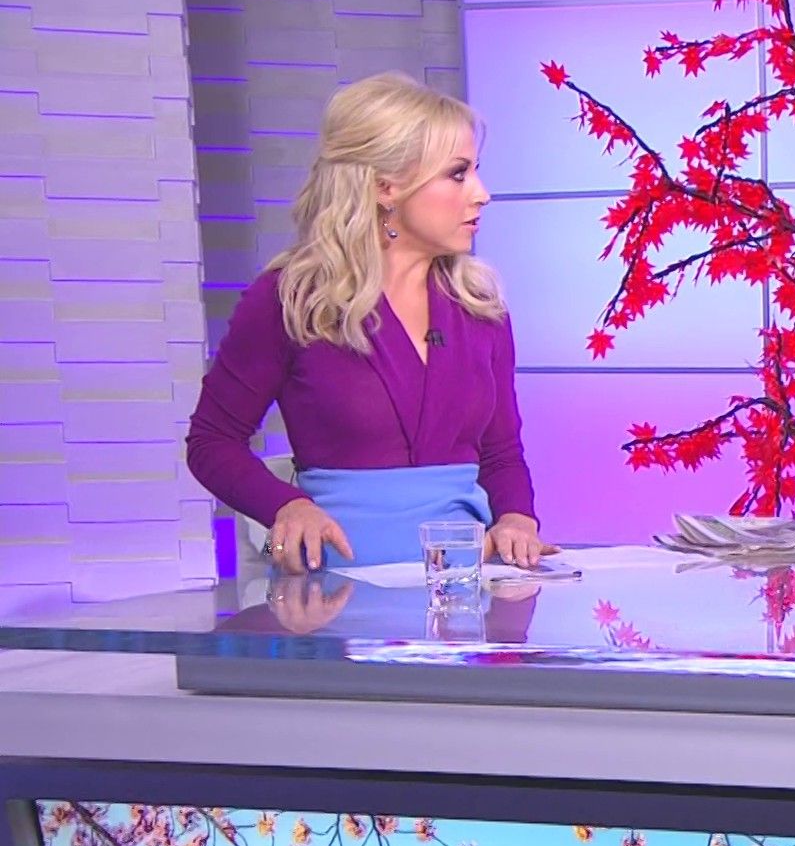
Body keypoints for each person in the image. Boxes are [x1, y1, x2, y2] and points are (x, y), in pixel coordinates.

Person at [187, 72, 552, 573]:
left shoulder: (481, 308)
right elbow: (212, 441)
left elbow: (501, 453)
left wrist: (516, 520)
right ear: (386, 187)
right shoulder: (293, 300)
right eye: (458, 174)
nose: (482, 194)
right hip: (332, 589)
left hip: (461, 588)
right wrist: (286, 507)